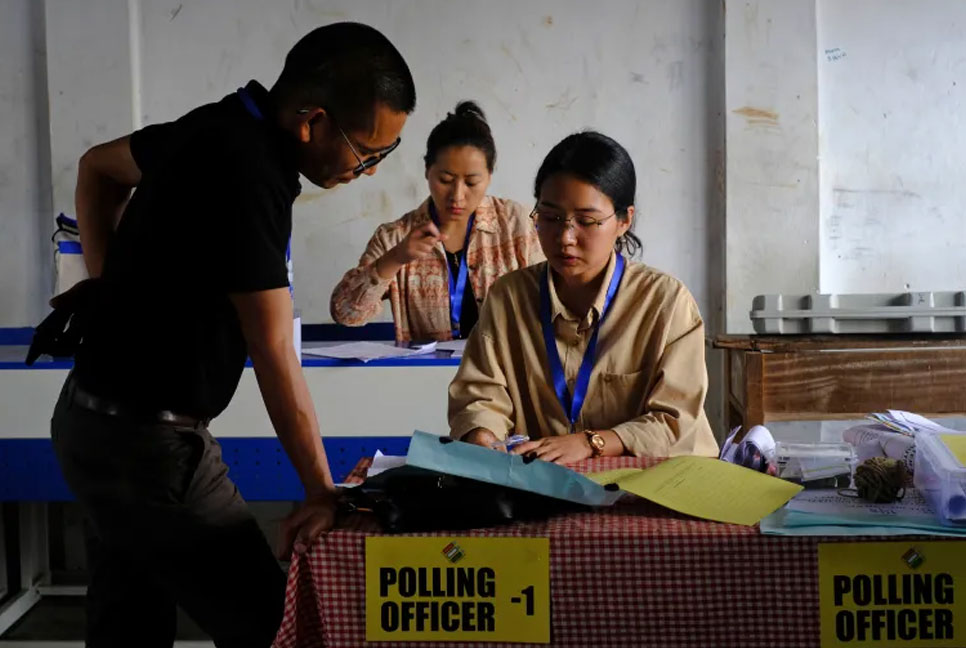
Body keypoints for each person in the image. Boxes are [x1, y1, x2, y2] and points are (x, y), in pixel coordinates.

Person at [50, 23, 415, 647]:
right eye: (367, 153)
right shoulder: (252, 177)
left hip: (91, 424)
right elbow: (274, 352)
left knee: (128, 624)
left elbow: (97, 169)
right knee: (274, 629)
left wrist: (111, 288)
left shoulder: (217, 123)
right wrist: (320, 491)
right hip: (151, 448)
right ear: (313, 122)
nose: (370, 170)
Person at [448, 131, 718, 462]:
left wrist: (594, 442)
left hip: (644, 486)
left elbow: (677, 420)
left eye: (586, 221)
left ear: (623, 221)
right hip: (543, 489)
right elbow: (479, 396)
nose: (565, 237)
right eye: (549, 217)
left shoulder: (665, 303)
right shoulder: (509, 298)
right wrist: (482, 436)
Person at [330, 101, 542, 342]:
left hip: (506, 373)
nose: (457, 195)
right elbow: (345, 314)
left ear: (489, 176)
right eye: (445, 179)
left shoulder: (516, 224)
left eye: (472, 182)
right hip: (429, 376)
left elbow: (552, 299)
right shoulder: (396, 236)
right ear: (427, 171)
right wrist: (396, 258)